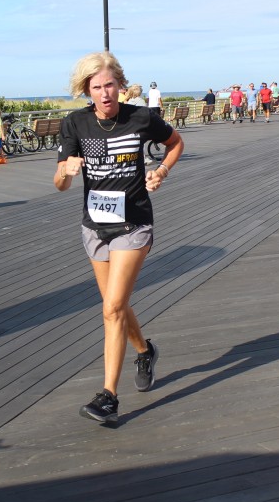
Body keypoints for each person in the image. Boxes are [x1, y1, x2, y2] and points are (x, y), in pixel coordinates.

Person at [55, 52, 184, 424]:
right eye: (96, 87)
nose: (104, 93)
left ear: (120, 85)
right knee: (117, 305)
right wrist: (66, 171)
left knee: (111, 308)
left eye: (109, 85)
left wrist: (162, 171)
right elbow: (60, 183)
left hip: (134, 225)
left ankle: (108, 396)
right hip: (95, 228)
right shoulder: (75, 124)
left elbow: (176, 143)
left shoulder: (141, 118)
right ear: (87, 91)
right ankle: (144, 351)